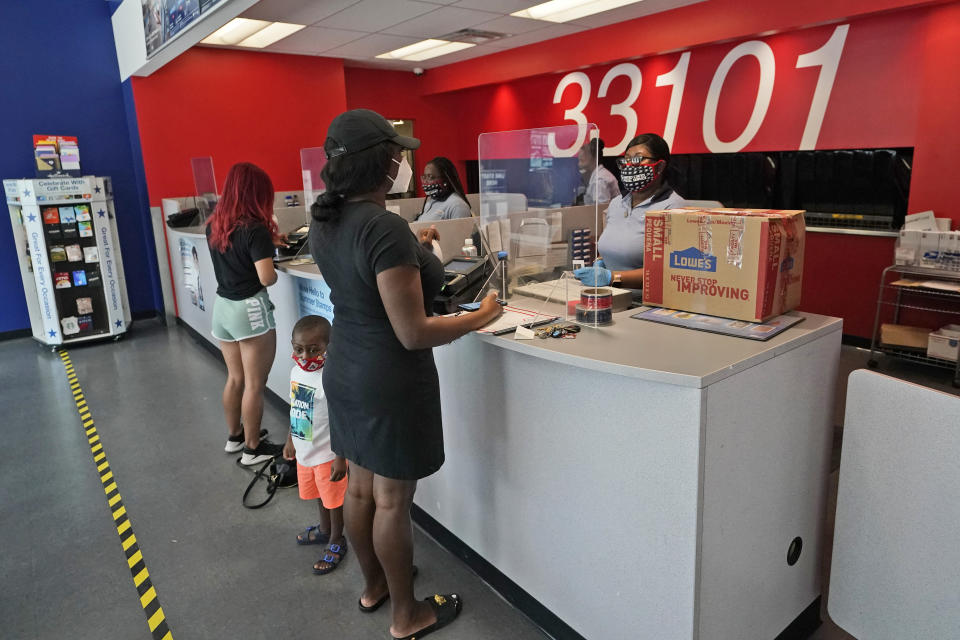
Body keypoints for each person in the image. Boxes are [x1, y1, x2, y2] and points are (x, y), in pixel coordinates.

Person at [309, 108, 502, 640]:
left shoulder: (328, 218)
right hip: (387, 378)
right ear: (383, 163)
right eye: (399, 153)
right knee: (392, 501)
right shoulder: (382, 226)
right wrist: (483, 317)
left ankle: (373, 587)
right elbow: (413, 332)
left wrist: (410, 239)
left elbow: (364, 274)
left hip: (346, 366)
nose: (406, 161)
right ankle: (406, 615)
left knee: (360, 492)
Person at [206, 162, 285, 466]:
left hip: (223, 309)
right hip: (249, 311)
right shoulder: (256, 229)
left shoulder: (215, 224)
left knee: (235, 378)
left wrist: (267, 245)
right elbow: (266, 278)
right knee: (255, 384)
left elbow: (234, 253)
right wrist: (268, 254)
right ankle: (253, 449)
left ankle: (236, 436)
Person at [574, 133, 685, 289]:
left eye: (638, 159)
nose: (629, 165)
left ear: (660, 166)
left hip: (643, 303)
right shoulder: (616, 204)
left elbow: (669, 271)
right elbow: (613, 246)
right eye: (626, 159)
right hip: (608, 296)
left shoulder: (673, 208)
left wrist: (611, 277)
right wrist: (600, 261)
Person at [283, 315, 349, 575]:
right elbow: (295, 406)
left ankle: (336, 539)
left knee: (333, 500)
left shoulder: (330, 377)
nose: (305, 355)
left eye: (314, 350)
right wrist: (290, 438)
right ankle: (324, 530)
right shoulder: (295, 371)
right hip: (304, 452)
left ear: (328, 348)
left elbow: (341, 418)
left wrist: (340, 456)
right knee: (319, 496)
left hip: (327, 454)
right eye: (299, 349)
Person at [416, 157, 472, 221]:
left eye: (430, 177)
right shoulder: (431, 202)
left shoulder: (458, 205)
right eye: (424, 177)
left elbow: (461, 230)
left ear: (446, 179)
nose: (425, 181)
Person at [575, 138, 619, 205]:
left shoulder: (599, 180)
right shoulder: (598, 175)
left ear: (594, 158)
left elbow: (601, 210)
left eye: (582, 160)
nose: (579, 163)